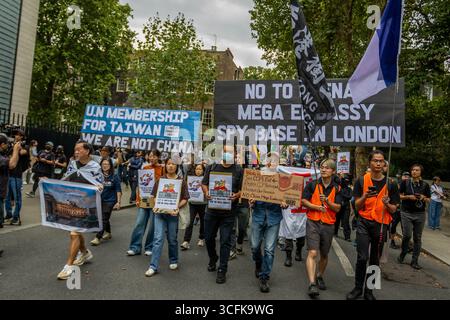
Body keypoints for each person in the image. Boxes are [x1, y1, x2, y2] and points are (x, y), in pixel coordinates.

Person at [346, 150, 399, 300]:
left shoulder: (391, 183)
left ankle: (369, 291)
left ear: (384, 164)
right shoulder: (361, 181)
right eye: (375, 160)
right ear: (370, 163)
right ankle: (357, 288)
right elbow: (356, 205)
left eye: (381, 161)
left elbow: (394, 209)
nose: (378, 163)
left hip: (381, 224)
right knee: (362, 257)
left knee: (375, 259)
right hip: (364, 222)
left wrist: (387, 204)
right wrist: (365, 196)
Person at [56, 141, 104, 280]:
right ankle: (84, 252)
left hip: (86, 204)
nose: (76, 152)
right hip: (72, 202)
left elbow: (99, 183)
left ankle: (68, 266)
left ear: (87, 151)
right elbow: (66, 178)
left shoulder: (94, 166)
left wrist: (99, 187)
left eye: (79, 149)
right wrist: (50, 182)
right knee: (74, 232)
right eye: (75, 149)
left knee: (74, 233)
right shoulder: (72, 163)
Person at [202, 144, 243, 284]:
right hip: (211, 211)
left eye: (231, 152)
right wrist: (206, 192)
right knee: (208, 238)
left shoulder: (239, 170)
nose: (228, 154)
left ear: (235, 154)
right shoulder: (212, 167)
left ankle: (222, 270)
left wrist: (236, 195)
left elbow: (244, 190)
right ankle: (213, 258)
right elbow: (204, 183)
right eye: (226, 152)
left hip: (229, 213)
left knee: (225, 241)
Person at [302, 159, 342, 298]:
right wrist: (315, 207)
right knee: (312, 253)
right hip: (313, 222)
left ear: (333, 171)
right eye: (322, 167)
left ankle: (319, 275)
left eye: (327, 168)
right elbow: (303, 200)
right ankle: (312, 284)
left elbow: (337, 208)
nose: (324, 170)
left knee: (324, 254)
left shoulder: (338, 188)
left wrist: (327, 202)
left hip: (329, 224)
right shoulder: (313, 184)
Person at [249, 152, 288, 293]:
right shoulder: (256, 177)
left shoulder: (283, 179)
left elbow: (289, 199)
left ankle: (264, 278)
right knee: (254, 247)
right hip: (258, 215)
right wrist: (251, 201)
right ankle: (258, 263)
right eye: (269, 160)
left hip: (274, 218)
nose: (271, 162)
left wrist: (285, 203)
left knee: (269, 249)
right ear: (266, 162)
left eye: (274, 161)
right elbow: (250, 195)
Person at [145, 158, 189, 276]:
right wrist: (155, 205)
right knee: (158, 239)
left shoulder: (181, 181)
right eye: (168, 164)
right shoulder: (160, 180)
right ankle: (153, 266)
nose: (170, 166)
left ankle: (173, 259)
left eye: (173, 164)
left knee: (172, 239)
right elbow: (153, 196)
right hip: (159, 214)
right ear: (165, 165)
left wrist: (177, 207)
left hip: (173, 215)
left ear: (177, 166)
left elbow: (185, 198)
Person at [127, 149, 164, 256]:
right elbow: (141, 185)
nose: (152, 158)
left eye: (154, 156)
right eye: (150, 156)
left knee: (152, 226)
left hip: (156, 202)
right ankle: (135, 247)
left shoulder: (162, 169)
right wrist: (138, 199)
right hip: (144, 201)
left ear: (158, 157)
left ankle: (149, 247)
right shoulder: (145, 168)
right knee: (139, 223)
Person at [397, 164, 431, 270]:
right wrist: (408, 197)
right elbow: (398, 195)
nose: (414, 172)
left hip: (420, 214)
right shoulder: (405, 183)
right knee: (407, 235)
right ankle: (403, 252)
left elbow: (429, 199)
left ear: (420, 172)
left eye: (417, 170)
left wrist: (423, 197)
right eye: (413, 170)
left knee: (417, 237)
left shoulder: (425, 185)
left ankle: (414, 260)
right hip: (406, 212)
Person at [90, 158, 122, 246]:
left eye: (107, 164)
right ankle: (108, 232)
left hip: (110, 200)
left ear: (110, 166)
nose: (105, 166)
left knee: (103, 218)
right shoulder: (98, 176)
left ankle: (97, 237)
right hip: (100, 199)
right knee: (103, 217)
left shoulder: (115, 176)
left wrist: (118, 202)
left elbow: (118, 190)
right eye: (103, 164)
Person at [4, 129, 29, 225]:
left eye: (18, 135)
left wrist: (16, 147)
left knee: (17, 197)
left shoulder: (25, 146)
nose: (16, 136)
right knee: (7, 197)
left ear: (22, 136)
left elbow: (22, 152)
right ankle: (9, 215)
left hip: (17, 175)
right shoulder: (11, 146)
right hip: (8, 174)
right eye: (15, 135)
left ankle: (16, 217)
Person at [181, 163, 207, 250]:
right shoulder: (190, 179)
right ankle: (186, 241)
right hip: (192, 203)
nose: (198, 171)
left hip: (203, 204)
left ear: (203, 170)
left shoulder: (206, 180)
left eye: (200, 169)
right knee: (190, 221)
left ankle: (201, 238)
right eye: (197, 169)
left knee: (203, 222)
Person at [0, 135, 21, 229]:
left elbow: (13, 162)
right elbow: (12, 165)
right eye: (6, 144)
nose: (8, 146)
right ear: (2, 144)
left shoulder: (3, 154)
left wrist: (15, 151)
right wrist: (16, 150)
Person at [390, 171, 410, 249]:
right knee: (393, 226)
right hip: (397, 209)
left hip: (405, 210)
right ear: (402, 177)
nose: (406, 177)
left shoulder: (410, 185)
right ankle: (392, 242)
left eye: (408, 176)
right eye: (405, 176)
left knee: (404, 228)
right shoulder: (397, 184)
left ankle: (405, 245)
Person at [334, 174, 352, 241]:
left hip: (346, 208)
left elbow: (349, 196)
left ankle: (347, 237)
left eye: (347, 180)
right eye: (345, 180)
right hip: (338, 207)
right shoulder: (338, 188)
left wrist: (342, 194)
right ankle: (335, 232)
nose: (346, 182)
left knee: (345, 222)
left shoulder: (349, 189)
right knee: (336, 221)